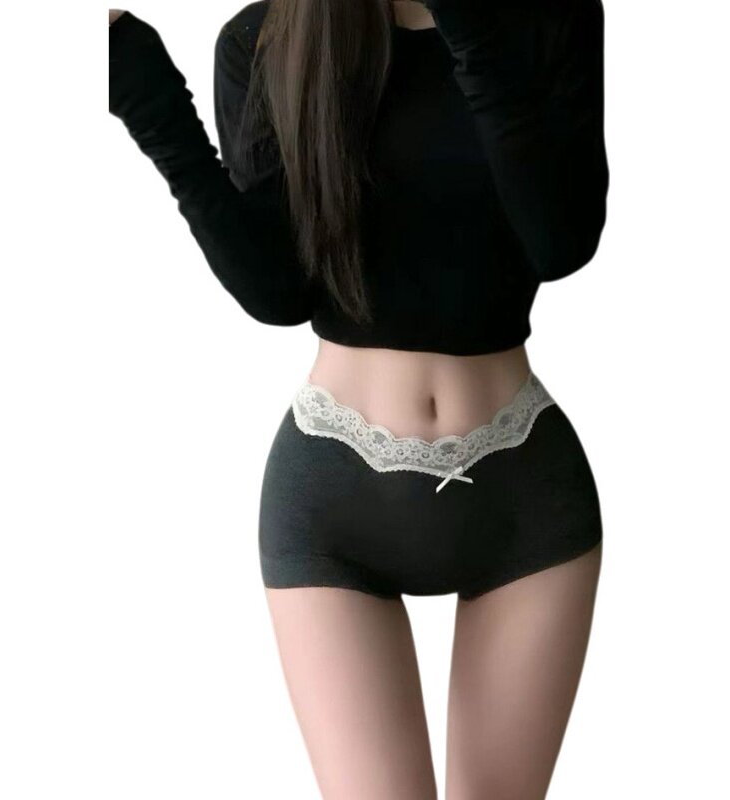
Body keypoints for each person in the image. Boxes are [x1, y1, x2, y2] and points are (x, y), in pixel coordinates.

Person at [108, 0, 608, 796]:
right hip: (333, 502)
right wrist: (149, 100)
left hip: (526, 493)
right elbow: (278, 294)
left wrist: (467, 17)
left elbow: (561, 242)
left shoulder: (551, 16)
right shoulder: (265, 38)